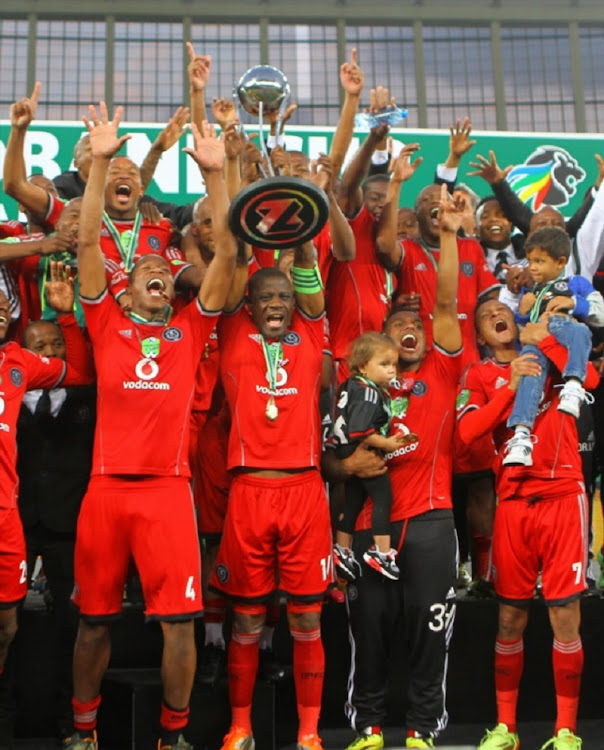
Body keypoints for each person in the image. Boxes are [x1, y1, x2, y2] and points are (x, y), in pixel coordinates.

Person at [62, 103, 236, 750]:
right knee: (94, 624)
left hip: (167, 494)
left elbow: (226, 257)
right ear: (125, 289)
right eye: (143, 272)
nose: (157, 273)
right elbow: (84, 243)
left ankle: (174, 735)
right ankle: (83, 733)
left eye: (164, 270)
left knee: (180, 625)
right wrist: (101, 163)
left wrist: (215, 175)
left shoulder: (192, 329)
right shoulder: (105, 323)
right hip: (106, 492)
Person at [345, 184, 463, 750]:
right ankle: (366, 727)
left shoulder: (442, 373)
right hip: (373, 523)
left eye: (414, 324)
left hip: (433, 523)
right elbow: (332, 454)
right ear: (379, 343)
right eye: (397, 325)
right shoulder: (360, 388)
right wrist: (349, 465)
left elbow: (443, 304)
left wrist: (447, 235)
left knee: (427, 632)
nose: (410, 327)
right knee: (369, 632)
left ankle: (421, 729)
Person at [457, 298, 600, 750]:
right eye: (486, 316)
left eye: (503, 310)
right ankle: (506, 729)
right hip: (514, 501)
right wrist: (509, 386)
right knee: (509, 618)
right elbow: (466, 433)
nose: (497, 316)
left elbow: (591, 378)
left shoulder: (560, 357)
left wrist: (546, 343)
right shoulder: (478, 376)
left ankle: (565, 731)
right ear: (481, 335)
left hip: (562, 493)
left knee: (565, 615)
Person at [209, 241, 332, 750]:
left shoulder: (309, 333)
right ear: (251, 305)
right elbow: (234, 273)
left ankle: (308, 733)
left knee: (306, 615)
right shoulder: (234, 332)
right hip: (249, 491)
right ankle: (240, 728)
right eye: (266, 298)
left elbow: (312, 288)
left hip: (304, 488)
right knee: (248, 616)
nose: (277, 304)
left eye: (284, 295)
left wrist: (304, 242)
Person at [0, 267, 93, 740]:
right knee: (7, 624)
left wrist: (65, 317)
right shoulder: (12, 381)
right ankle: (10, 707)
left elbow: (78, 366)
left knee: (73, 625)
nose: (50, 353)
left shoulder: (88, 395)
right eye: (41, 346)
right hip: (16, 518)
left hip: (69, 525)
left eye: (56, 345)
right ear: (25, 348)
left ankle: (66, 714)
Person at [503, 227, 604, 466]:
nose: (533, 267)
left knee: (580, 330)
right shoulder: (529, 293)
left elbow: (600, 313)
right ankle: (520, 435)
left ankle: (574, 384)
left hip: (563, 340)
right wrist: (522, 313)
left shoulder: (575, 284)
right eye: (530, 261)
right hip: (537, 347)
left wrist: (573, 303)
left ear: (560, 262)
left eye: (539, 261)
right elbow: (525, 334)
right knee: (528, 372)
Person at [332, 331, 417, 581]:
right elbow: (362, 431)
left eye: (394, 364)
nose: (392, 370)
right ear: (363, 366)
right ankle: (381, 552)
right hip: (360, 450)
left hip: (344, 448)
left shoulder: (352, 385)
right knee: (383, 497)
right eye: (384, 364)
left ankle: (342, 549)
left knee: (353, 501)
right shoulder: (368, 393)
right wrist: (388, 443)